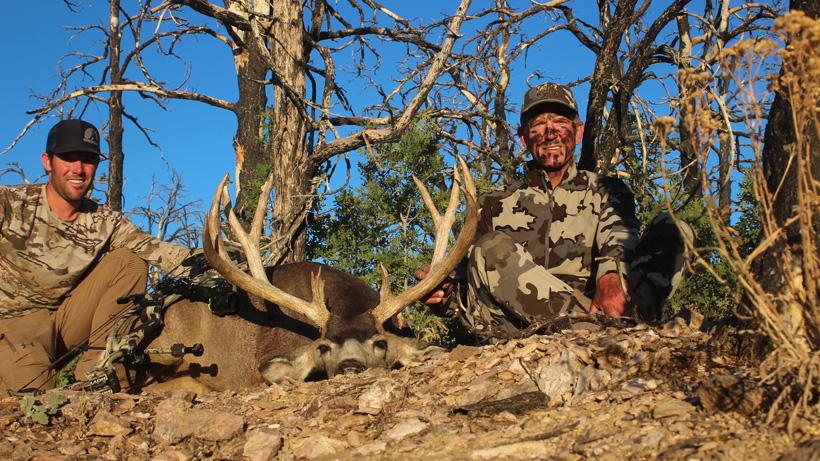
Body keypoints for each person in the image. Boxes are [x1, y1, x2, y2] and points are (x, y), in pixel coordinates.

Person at [418, 83, 691, 342]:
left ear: (578, 132)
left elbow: (619, 234)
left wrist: (611, 275)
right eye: (538, 125)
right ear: (523, 137)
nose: (550, 132)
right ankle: (599, 331)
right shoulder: (491, 204)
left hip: (602, 304)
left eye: (560, 122)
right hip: (523, 327)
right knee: (490, 248)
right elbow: (469, 291)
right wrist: (444, 297)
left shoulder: (608, 189)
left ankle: (621, 324)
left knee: (675, 229)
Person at [0, 119, 193, 395]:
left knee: (129, 259)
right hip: (14, 323)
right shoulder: (10, 204)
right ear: (47, 162)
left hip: (63, 321)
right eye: (68, 158)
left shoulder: (105, 221)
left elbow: (163, 252)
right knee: (37, 401)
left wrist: (215, 262)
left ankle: (94, 372)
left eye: (88, 160)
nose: (78, 169)